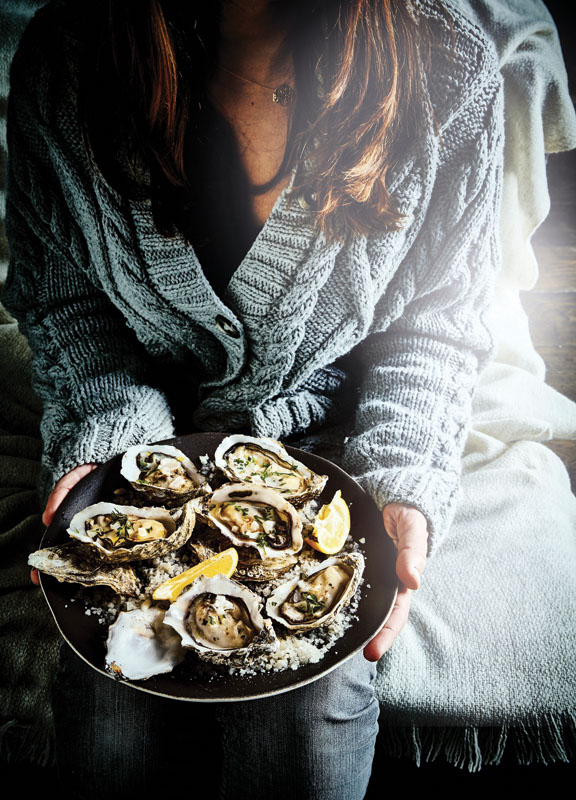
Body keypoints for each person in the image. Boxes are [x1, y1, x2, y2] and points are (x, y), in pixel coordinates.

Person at [2, 0, 504, 796]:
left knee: (302, 729)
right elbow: (64, 301)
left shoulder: (450, 66)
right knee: (110, 708)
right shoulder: (63, 60)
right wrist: (107, 431)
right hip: (139, 431)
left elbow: (438, 324)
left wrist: (403, 476)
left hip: (337, 437)